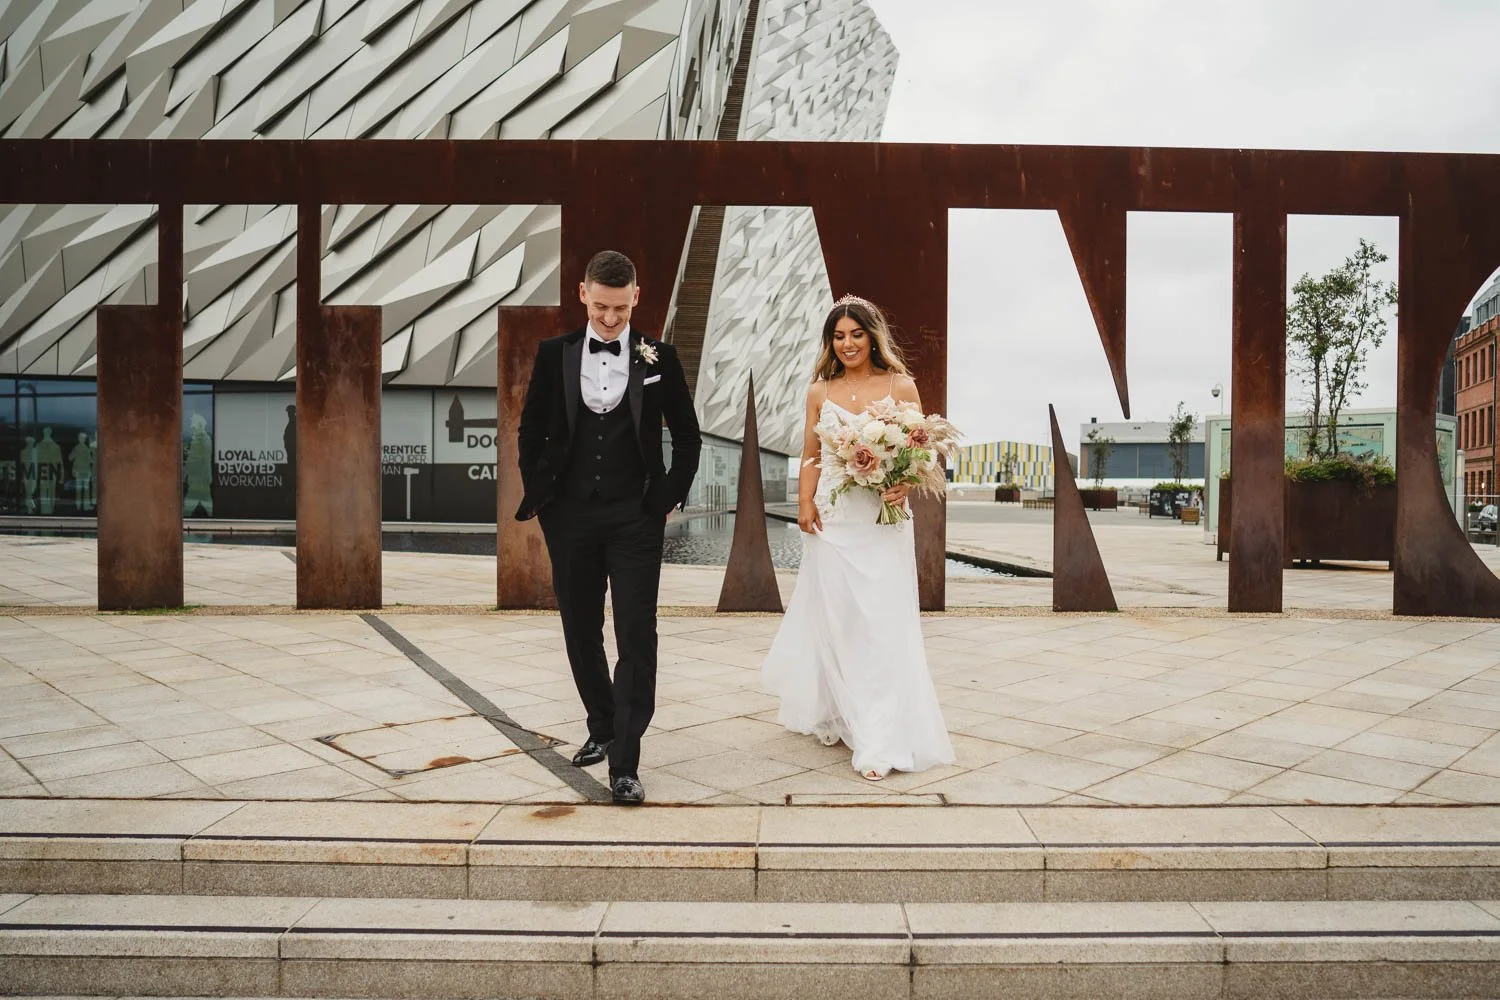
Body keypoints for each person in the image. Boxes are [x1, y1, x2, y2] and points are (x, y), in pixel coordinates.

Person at [515, 250, 701, 805]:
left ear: (636, 298)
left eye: (620, 308)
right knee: (579, 627)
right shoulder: (554, 354)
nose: (611, 319)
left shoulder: (659, 356)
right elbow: (530, 430)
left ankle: (625, 760)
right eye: (601, 307)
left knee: (637, 635)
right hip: (569, 514)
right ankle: (601, 722)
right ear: (582, 294)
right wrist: (544, 496)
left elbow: (688, 438)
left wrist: (665, 496)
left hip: (634, 516)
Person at [762, 295, 955, 781]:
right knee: (840, 619)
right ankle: (847, 711)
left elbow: (922, 452)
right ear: (831, 342)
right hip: (834, 519)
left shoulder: (900, 385)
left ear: (873, 337)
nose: (847, 343)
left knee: (882, 622)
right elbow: (810, 455)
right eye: (839, 336)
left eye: (856, 334)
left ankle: (882, 733)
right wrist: (805, 504)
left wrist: (904, 482)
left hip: (882, 520)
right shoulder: (818, 392)